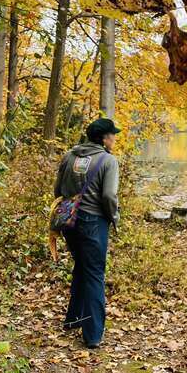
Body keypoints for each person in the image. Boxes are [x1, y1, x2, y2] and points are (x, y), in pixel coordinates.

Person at [53, 118, 121, 349]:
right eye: (112, 134)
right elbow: (109, 196)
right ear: (103, 138)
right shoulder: (108, 161)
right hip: (94, 222)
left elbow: (58, 190)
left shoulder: (70, 156)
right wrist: (114, 217)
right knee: (94, 274)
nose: (114, 138)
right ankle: (92, 336)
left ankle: (73, 319)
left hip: (69, 221)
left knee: (82, 266)